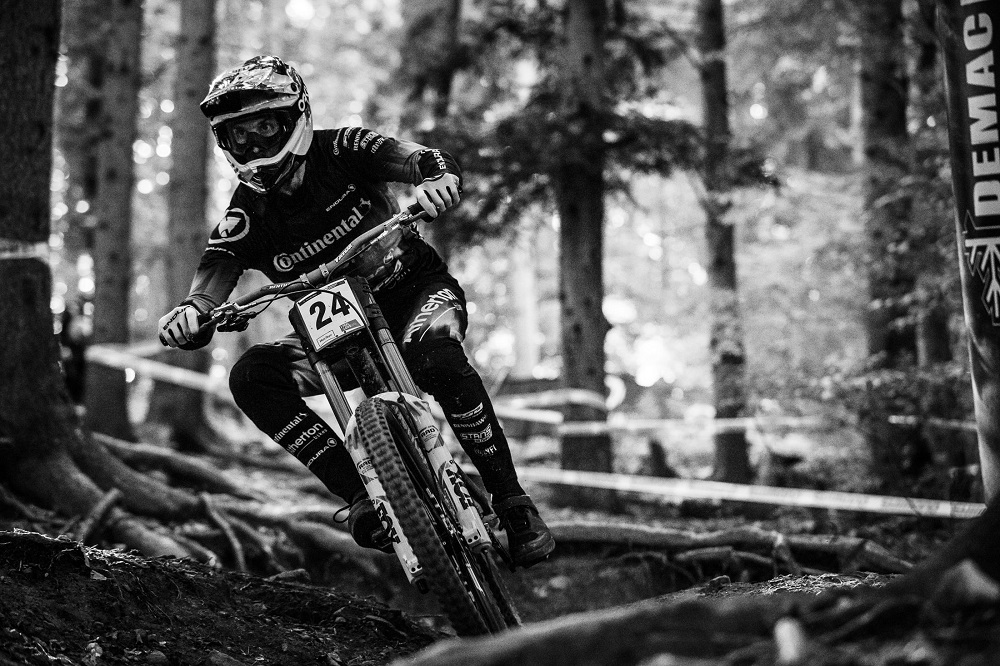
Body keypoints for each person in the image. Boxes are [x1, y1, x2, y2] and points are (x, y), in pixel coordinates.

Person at [157, 55, 554, 568]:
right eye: (239, 135)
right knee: (252, 377)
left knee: (437, 357)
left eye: (264, 127)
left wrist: (435, 177)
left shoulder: (343, 148)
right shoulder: (245, 215)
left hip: (412, 292)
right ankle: (364, 496)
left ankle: (512, 503)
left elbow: (420, 159)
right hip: (338, 335)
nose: (253, 144)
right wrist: (193, 313)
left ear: (296, 116)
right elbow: (214, 272)